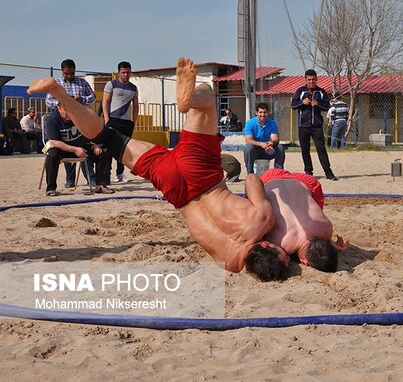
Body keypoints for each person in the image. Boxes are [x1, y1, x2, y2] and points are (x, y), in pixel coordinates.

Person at [28, 57, 288, 281]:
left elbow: (253, 179)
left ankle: (187, 102)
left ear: (267, 245)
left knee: (208, 95)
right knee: (108, 139)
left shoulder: (261, 222)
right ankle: (59, 94)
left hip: (205, 177)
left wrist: (270, 214)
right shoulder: (231, 261)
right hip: (176, 190)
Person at [260, 168, 348, 272]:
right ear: (304, 261)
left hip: (304, 181)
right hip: (267, 182)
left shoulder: (327, 230)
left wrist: (329, 241)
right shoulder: (283, 245)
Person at [46, 59, 97, 188]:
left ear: (75, 70)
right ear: (62, 71)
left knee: (82, 144)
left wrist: (81, 99)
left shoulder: (82, 83)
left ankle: (92, 179)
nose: (69, 76)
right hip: (63, 118)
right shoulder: (56, 84)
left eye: (72, 73)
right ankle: (70, 179)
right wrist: (64, 102)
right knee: (66, 143)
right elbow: (48, 101)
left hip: (80, 118)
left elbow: (92, 97)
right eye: (66, 74)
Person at [43, 106, 113, 196]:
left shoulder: (79, 117)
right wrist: (75, 150)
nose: (69, 113)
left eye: (71, 110)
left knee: (101, 153)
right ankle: (51, 188)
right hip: (62, 148)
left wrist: (95, 144)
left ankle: (100, 185)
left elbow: (89, 132)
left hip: (80, 146)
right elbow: (54, 142)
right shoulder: (52, 119)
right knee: (52, 154)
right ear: (59, 108)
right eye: (66, 110)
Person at [291, 69, 338, 181]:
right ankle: (308, 171)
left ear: (317, 79)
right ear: (305, 80)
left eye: (313, 79)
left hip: (317, 126)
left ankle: (328, 172)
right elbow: (293, 105)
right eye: (309, 80)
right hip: (303, 125)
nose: (311, 81)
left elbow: (327, 107)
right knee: (305, 149)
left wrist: (317, 104)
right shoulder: (300, 91)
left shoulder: (321, 92)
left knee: (321, 149)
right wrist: (302, 103)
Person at [102, 61, 139, 183]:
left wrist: (134, 121)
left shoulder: (134, 88)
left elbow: (136, 106)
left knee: (123, 149)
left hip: (126, 122)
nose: (126, 75)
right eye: (123, 72)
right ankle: (106, 175)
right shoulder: (111, 84)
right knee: (108, 149)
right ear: (119, 72)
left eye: (128, 72)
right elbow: (105, 101)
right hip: (112, 120)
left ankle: (120, 173)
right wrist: (107, 119)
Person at [243, 102, 285, 174]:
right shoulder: (250, 123)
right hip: (255, 150)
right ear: (256, 113)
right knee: (248, 148)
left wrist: (271, 143)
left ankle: (278, 173)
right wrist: (261, 144)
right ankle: (250, 174)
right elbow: (248, 140)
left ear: (268, 113)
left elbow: (275, 138)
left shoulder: (272, 123)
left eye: (265, 112)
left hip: (268, 150)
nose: (262, 115)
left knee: (280, 148)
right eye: (260, 112)